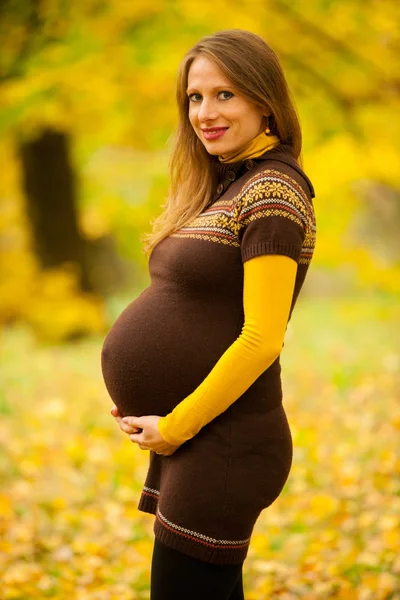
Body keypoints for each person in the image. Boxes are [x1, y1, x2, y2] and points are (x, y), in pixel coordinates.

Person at [101, 29, 317, 599]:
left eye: (225, 95)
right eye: (195, 98)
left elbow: (262, 339)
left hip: (226, 443)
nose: (204, 112)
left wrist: (174, 425)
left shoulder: (274, 190)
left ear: (264, 100)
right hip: (202, 442)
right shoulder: (230, 185)